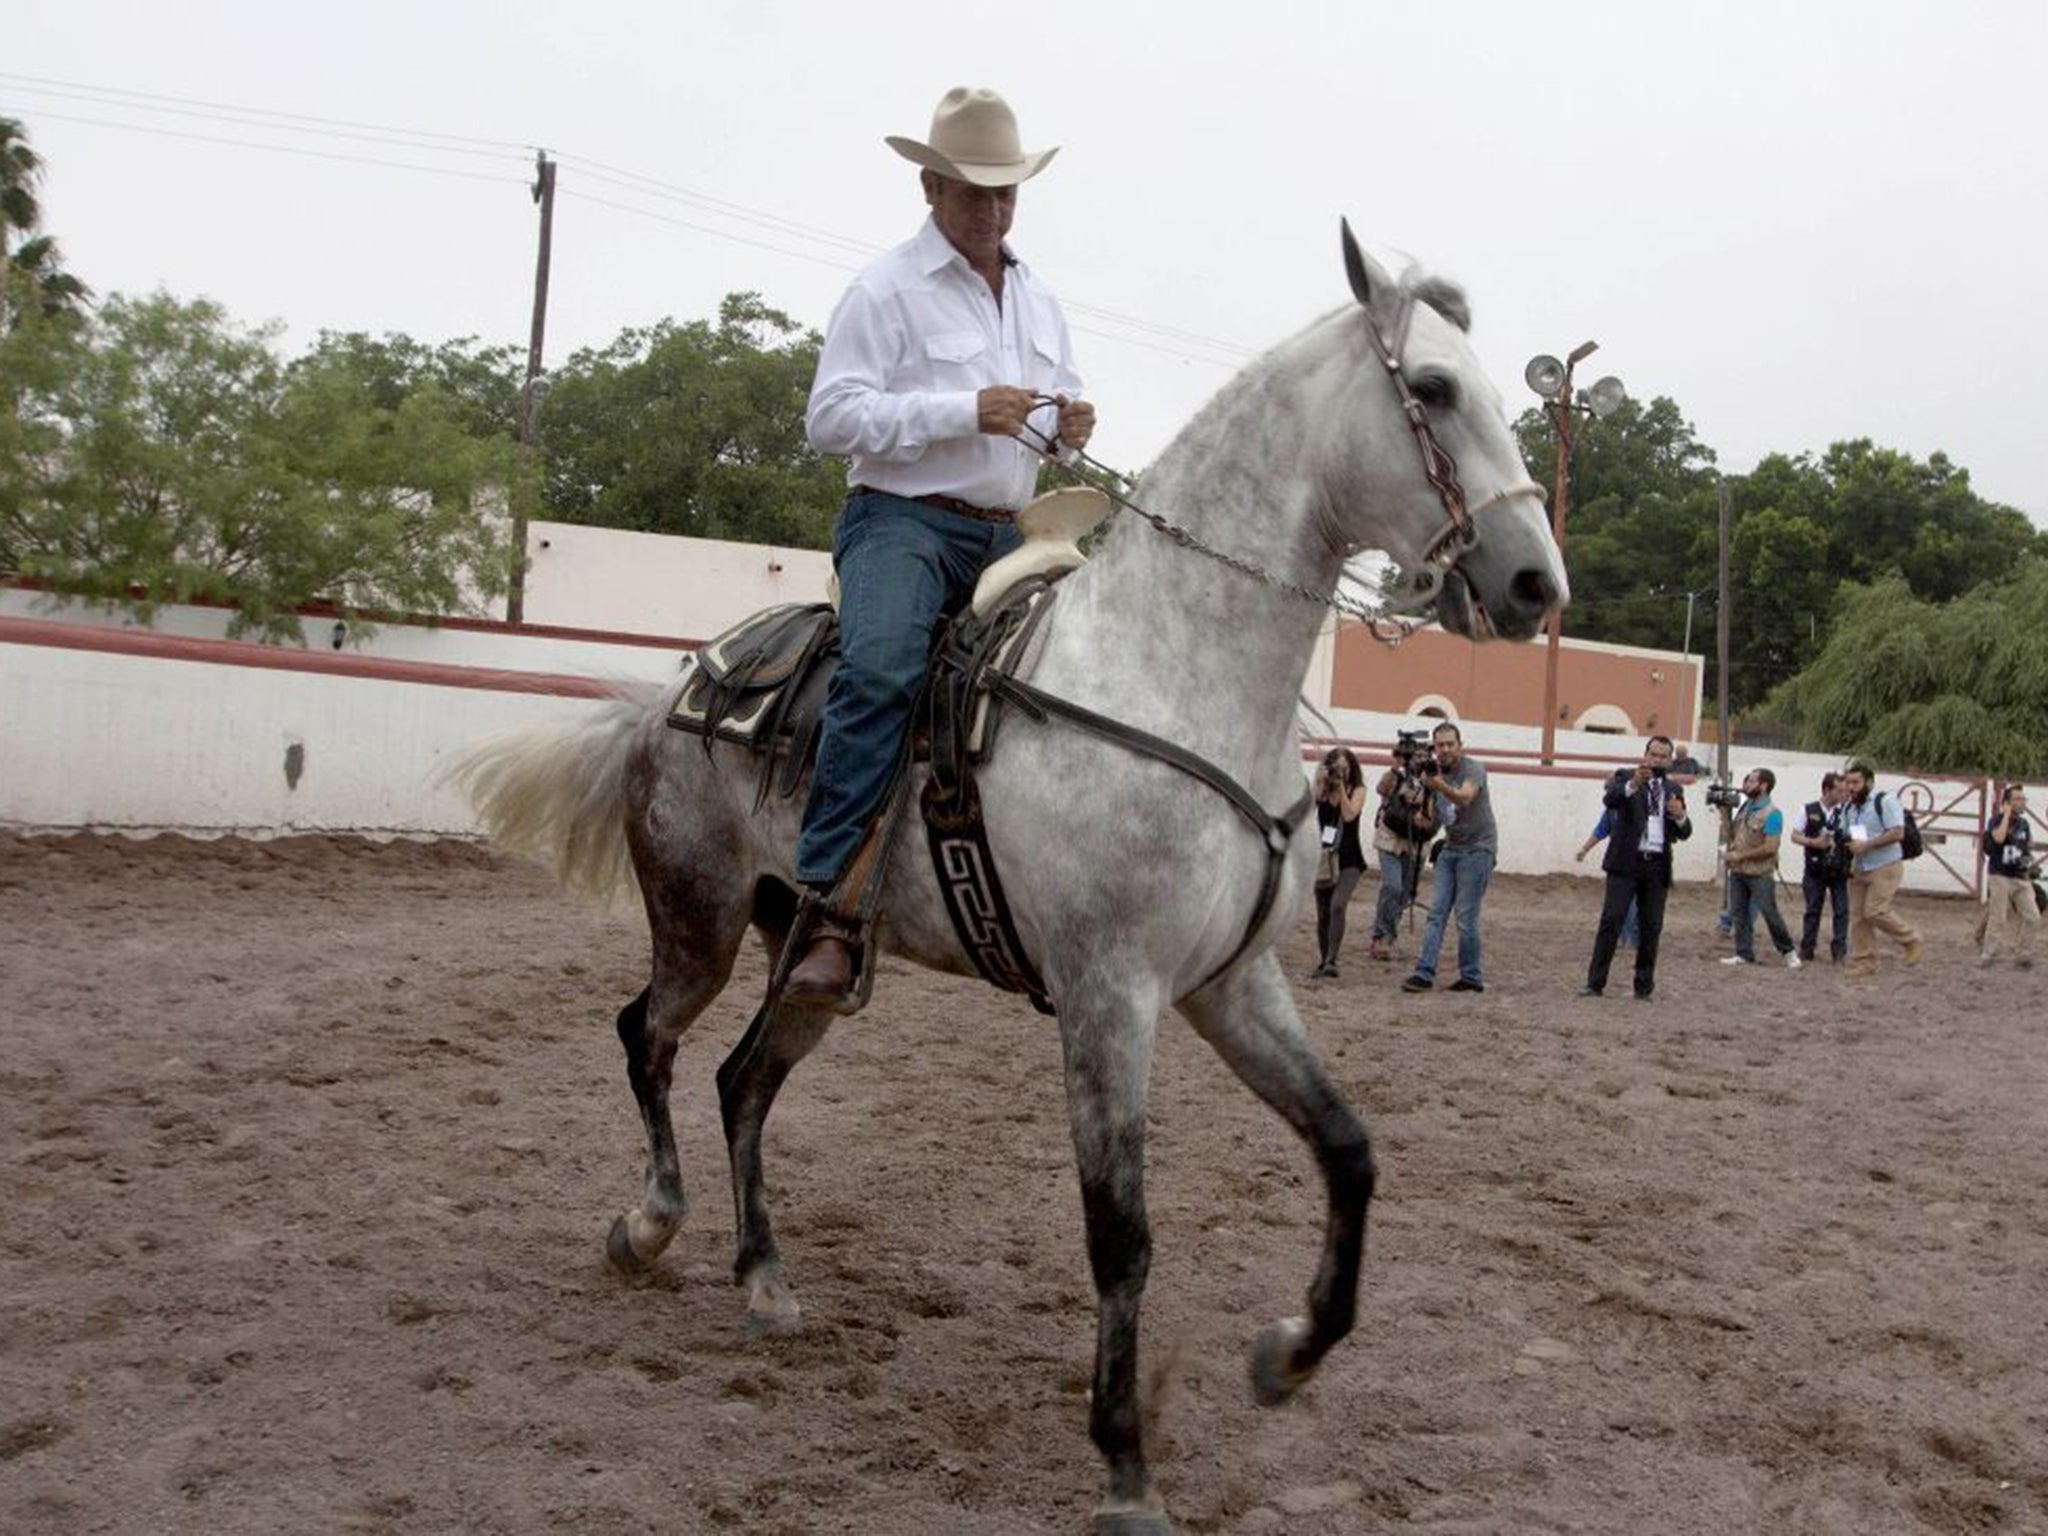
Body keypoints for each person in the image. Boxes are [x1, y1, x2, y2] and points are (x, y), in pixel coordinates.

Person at [783, 88, 1097, 1004]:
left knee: (1088, 678)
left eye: (1005, 193)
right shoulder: (883, 290)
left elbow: (1051, 423)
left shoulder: (1038, 298)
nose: (992, 210)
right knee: (880, 670)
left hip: (1015, 528)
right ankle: (830, 912)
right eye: (973, 192)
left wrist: (1071, 425)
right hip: (903, 523)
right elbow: (830, 419)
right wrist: (961, 409)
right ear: (929, 186)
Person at [1581, 735, 1693, 1000]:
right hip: (1625, 864)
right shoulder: (1625, 777)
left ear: (1669, 760)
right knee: (1611, 921)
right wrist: (1633, 784)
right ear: (1645, 754)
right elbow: (1610, 800)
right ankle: (1594, 983)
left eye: (1663, 756)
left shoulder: (1674, 789)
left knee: (1651, 926)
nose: (1657, 760)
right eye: (1653, 754)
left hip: (1656, 866)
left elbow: (1685, 832)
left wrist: (1680, 816)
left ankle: (1643, 987)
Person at [1400, 723, 1494, 994]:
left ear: (1460, 745)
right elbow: (1434, 820)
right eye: (1440, 745)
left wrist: (1437, 784)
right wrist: (1419, 814)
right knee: (1436, 914)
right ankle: (1424, 972)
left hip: (1479, 849)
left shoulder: (1473, 769)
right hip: (1451, 847)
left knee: (1465, 917)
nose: (1444, 750)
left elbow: (1465, 798)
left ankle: (1471, 976)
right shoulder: (1433, 778)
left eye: (1450, 744)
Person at [1838, 761, 1923, 977]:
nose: (1851, 787)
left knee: (1875, 910)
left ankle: (1910, 939)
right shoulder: (1848, 809)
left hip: (1886, 865)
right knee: (1858, 917)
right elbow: (1846, 834)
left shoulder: (1885, 801)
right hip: (1860, 866)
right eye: (1848, 782)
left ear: (1868, 782)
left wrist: (1866, 845)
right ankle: (1865, 961)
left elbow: (1897, 833)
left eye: (1855, 782)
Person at [1719, 768, 1802, 968]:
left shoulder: (1773, 814)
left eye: (1751, 781)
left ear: (1763, 785)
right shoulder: (1746, 808)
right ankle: (1743, 952)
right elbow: (1735, 834)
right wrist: (1724, 815)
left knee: (1769, 912)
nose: (1746, 785)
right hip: (1738, 871)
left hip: (1759, 873)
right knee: (1739, 913)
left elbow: (1770, 847)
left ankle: (1788, 951)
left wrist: (1741, 855)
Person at [1366, 735, 1438, 962]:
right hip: (1390, 839)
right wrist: (1396, 769)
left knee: (1406, 894)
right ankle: (1381, 936)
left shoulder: (1435, 779)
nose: (1420, 760)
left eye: (1424, 756)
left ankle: (1388, 933)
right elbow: (1381, 789)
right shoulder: (1397, 775)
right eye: (1416, 756)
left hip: (1416, 842)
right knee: (1392, 886)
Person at [1310, 748, 1370, 978]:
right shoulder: (1323, 791)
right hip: (1324, 857)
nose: (1340, 773)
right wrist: (1320, 782)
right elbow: (1308, 810)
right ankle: (1324, 959)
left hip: (1349, 858)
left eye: (1344, 768)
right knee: (1323, 910)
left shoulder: (1359, 790)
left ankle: (1332, 959)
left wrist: (1342, 790)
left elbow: (1349, 815)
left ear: (1352, 769)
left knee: (1337, 905)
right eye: (1336, 768)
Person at [1789, 771, 1850, 962]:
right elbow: (1795, 835)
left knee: (1841, 910)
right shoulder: (1807, 810)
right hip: (1815, 867)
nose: (1843, 795)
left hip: (1839, 867)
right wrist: (1814, 842)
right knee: (1813, 908)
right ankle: (1808, 947)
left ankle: (1839, 950)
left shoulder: (1846, 811)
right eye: (1839, 791)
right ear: (1826, 790)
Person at [1979, 783, 2039, 968]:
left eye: (2023, 799)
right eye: (2017, 799)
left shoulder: (2024, 824)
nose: (2022, 802)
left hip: (2020, 877)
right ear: (2007, 802)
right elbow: (1998, 837)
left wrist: (2030, 858)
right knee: (1999, 917)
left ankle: (2023, 954)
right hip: (2000, 875)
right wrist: (2006, 814)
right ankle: (1988, 955)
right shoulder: (1996, 820)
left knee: (2033, 917)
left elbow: (2027, 845)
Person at [1574, 806, 1638, 948]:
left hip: (1631, 861)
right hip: (1622, 861)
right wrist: (1584, 849)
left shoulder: (1617, 808)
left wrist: (1584, 849)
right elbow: (1601, 830)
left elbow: (1601, 831)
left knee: (1627, 901)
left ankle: (1628, 937)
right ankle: (1629, 937)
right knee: (1628, 901)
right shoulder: (1613, 809)